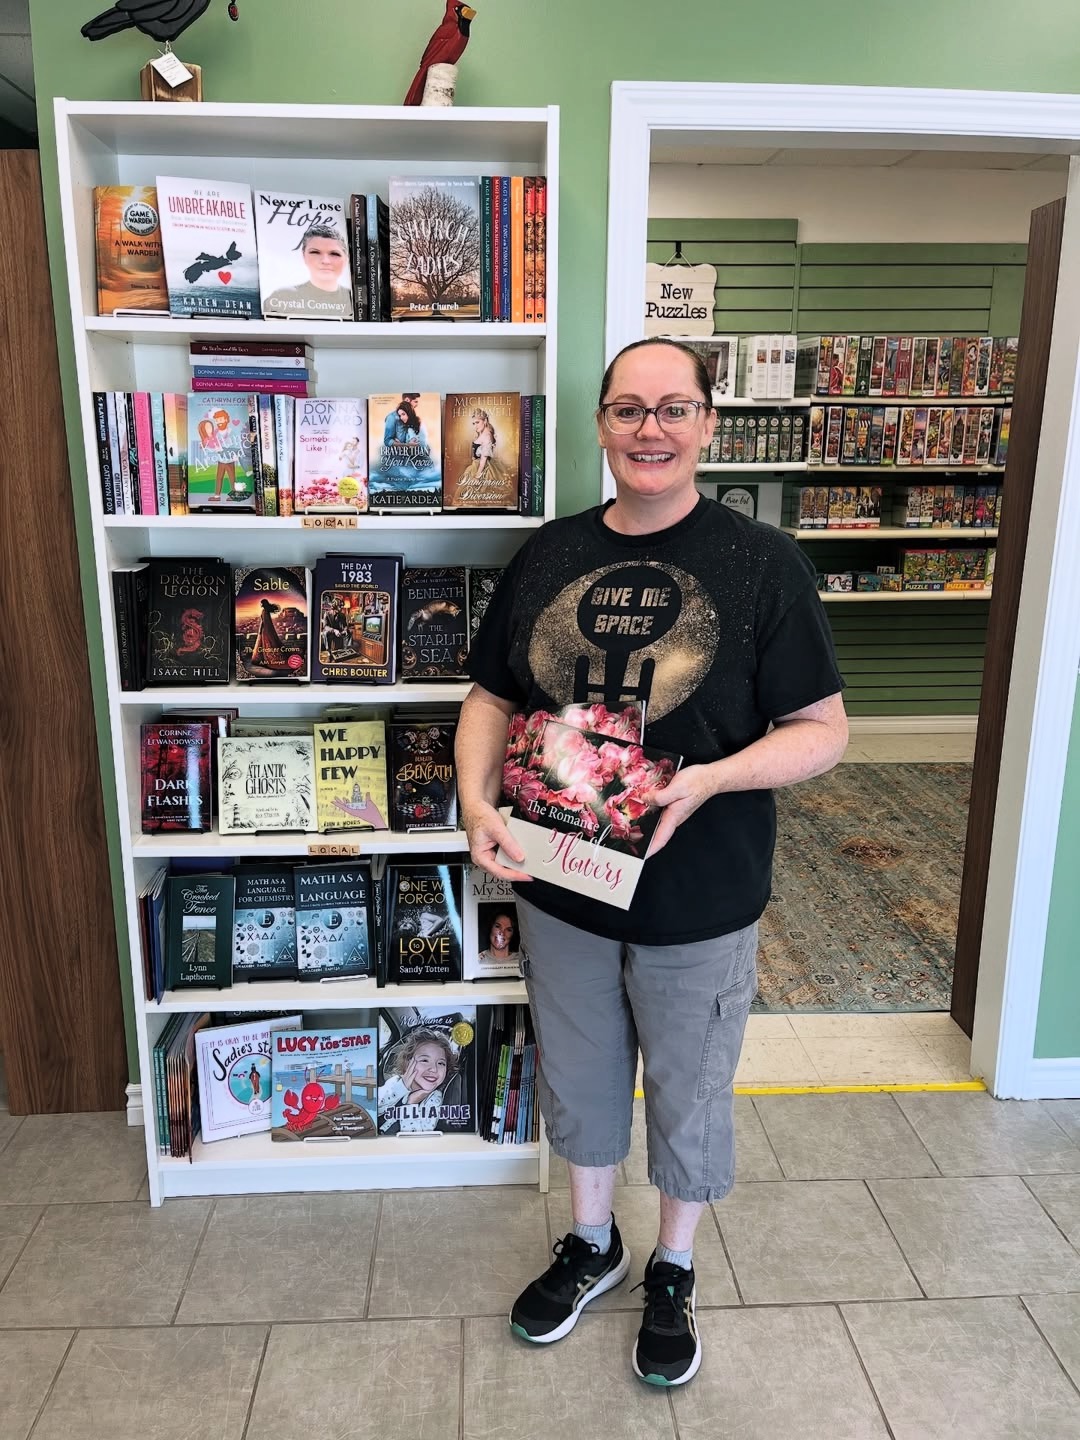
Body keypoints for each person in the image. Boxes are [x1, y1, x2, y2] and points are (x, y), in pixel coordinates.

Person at [456, 336, 847, 1387]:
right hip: (562, 881)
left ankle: (671, 1266)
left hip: (702, 892)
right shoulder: (548, 554)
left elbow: (823, 728)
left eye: (674, 409)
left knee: (687, 1091)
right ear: (600, 425)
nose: (651, 430)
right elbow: (493, 697)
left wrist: (710, 780)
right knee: (580, 1078)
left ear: (709, 425)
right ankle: (593, 1241)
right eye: (629, 409)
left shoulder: (766, 565)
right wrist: (474, 800)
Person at [378, 1026, 458, 1134]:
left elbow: (415, 1136)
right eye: (425, 1060)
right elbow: (375, 1109)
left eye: (441, 1063)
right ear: (408, 1063)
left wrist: (412, 1104)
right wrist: (401, 1087)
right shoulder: (395, 1082)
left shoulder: (434, 1098)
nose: (434, 1069)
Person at [263, 223, 352, 319]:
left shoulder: (355, 301)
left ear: (347, 258)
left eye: (334, 254)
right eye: (315, 252)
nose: (325, 261)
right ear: (304, 255)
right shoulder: (282, 297)